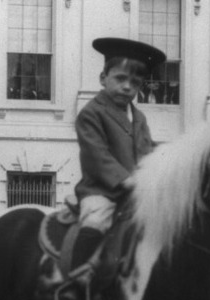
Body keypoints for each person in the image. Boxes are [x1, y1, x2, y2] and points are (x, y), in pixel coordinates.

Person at [69, 38, 166, 279]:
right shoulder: (91, 113)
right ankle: (76, 278)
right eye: (120, 79)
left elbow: (147, 151)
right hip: (103, 191)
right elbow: (97, 156)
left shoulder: (139, 117)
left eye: (135, 83)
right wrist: (127, 181)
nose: (127, 87)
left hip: (136, 194)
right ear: (103, 78)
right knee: (96, 221)